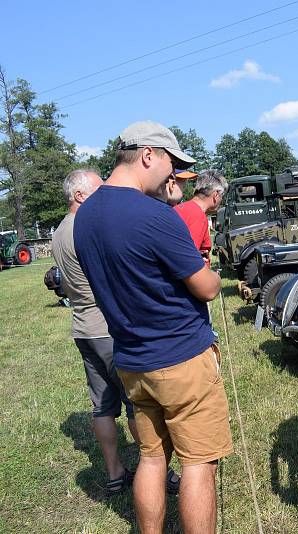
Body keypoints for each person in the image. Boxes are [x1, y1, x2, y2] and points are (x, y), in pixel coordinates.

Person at [74, 121, 233, 534]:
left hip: (131, 361)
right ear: (148, 155)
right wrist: (212, 276)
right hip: (181, 359)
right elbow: (205, 287)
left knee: (150, 456)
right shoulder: (154, 216)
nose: (173, 175)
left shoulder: (85, 215)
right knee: (199, 462)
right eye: (171, 164)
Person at [51, 169, 140, 496]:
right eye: (98, 191)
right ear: (79, 196)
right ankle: (155, 469)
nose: (105, 197)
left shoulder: (60, 231)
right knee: (137, 403)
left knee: (102, 406)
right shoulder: (88, 227)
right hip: (108, 328)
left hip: (83, 328)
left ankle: (115, 473)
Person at [174, 169, 228, 267]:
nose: (221, 200)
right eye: (222, 196)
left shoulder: (181, 208)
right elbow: (188, 259)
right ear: (216, 195)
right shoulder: (197, 215)